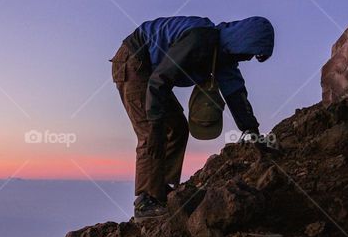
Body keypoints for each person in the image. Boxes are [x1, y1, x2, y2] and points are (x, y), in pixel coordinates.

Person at [111, 15, 275, 220]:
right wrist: (155, 126)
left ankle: (160, 189)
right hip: (133, 61)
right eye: (249, 53)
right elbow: (159, 80)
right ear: (242, 40)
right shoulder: (199, 40)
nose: (248, 58)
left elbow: (236, 94)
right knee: (151, 133)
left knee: (177, 128)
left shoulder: (222, 57)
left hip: (150, 73)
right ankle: (145, 201)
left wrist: (252, 131)